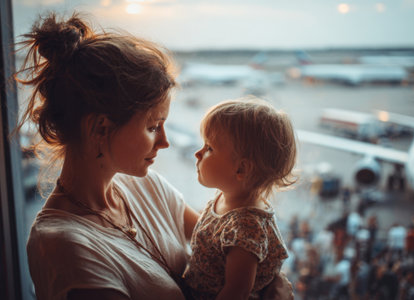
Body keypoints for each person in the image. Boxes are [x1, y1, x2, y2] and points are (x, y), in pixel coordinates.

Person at [15, 13, 292, 300]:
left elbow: (232, 248)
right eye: (153, 127)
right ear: (100, 127)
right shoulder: (65, 246)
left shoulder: (148, 186)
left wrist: (271, 279)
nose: (165, 142)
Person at [182, 98, 298, 299]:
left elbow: (236, 291)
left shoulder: (245, 227)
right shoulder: (227, 198)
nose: (197, 153)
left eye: (209, 148)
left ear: (241, 169)